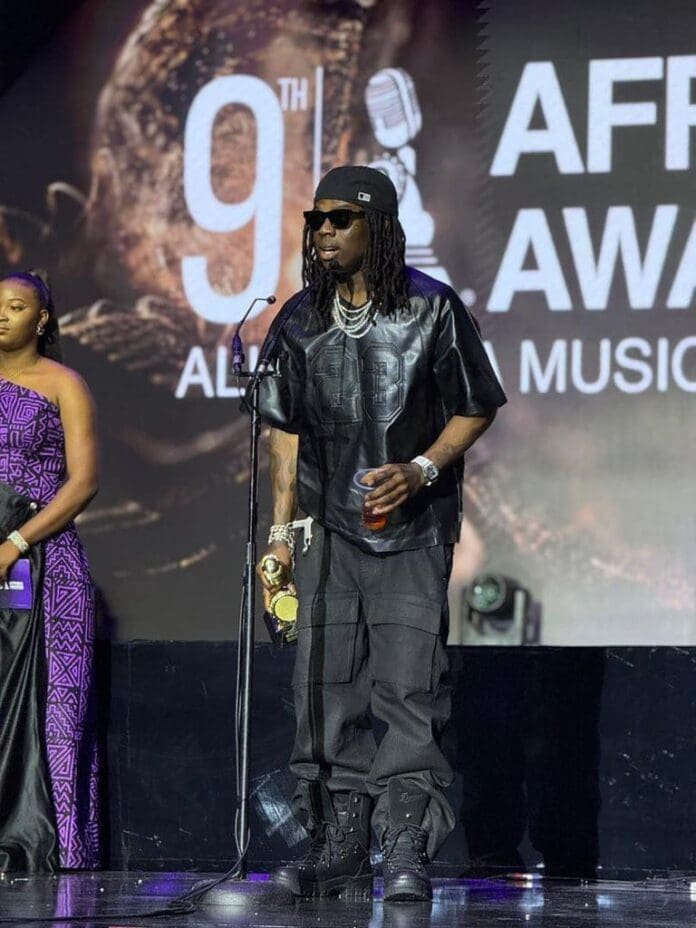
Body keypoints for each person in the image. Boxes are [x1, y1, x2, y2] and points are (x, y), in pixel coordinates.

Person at [256, 166, 506, 902]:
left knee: (407, 689)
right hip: (326, 534)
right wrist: (280, 536)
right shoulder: (299, 320)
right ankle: (339, 843)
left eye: (341, 219)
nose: (324, 232)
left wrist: (422, 469)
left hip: (412, 533)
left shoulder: (433, 308)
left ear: (380, 228)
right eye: (317, 220)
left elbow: (477, 404)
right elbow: (283, 436)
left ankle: (403, 846)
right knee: (324, 689)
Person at [0, 269, 100, 870]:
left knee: (52, 707)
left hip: (46, 562)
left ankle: (49, 845)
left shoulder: (63, 383)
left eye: (15, 307)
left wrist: (15, 542)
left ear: (41, 319)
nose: (1, 315)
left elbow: (84, 482)